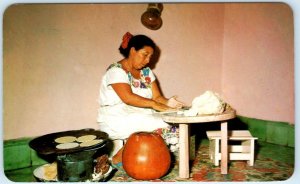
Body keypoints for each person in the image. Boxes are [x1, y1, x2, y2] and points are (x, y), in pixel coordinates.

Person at [97, 32, 184, 169]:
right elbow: (128, 98)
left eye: (150, 56)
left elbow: (157, 97)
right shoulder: (116, 71)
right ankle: (115, 159)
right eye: (145, 55)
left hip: (140, 114)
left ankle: (137, 158)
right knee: (165, 124)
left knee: (176, 120)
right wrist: (156, 105)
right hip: (116, 117)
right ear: (133, 50)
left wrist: (169, 103)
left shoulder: (146, 73)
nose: (148, 60)